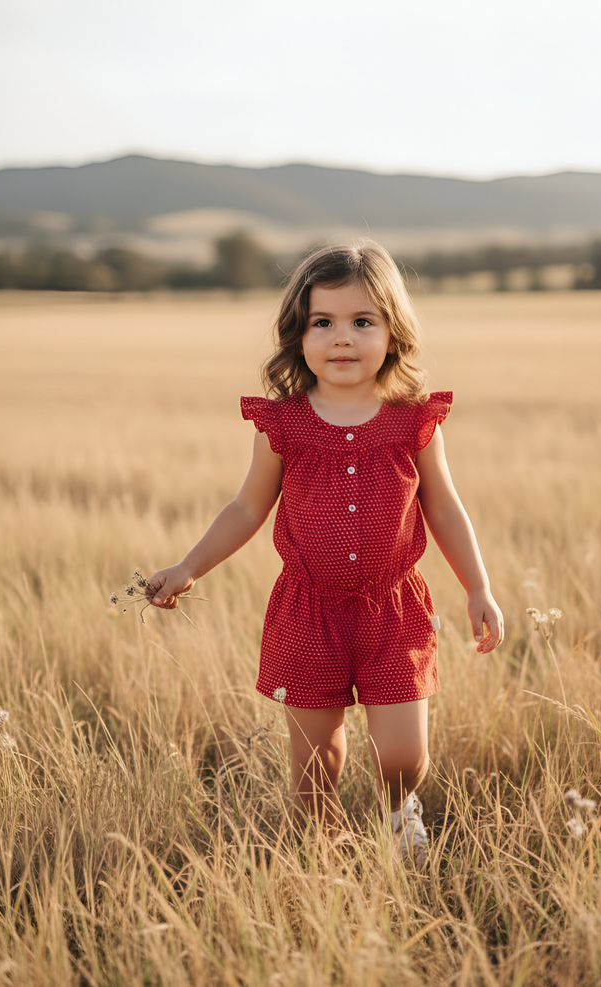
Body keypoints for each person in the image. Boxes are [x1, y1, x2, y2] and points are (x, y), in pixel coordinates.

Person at [147, 241, 503, 864]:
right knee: (316, 760)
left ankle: (401, 813)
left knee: (402, 753)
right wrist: (187, 567)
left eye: (363, 322)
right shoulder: (285, 424)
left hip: (392, 611)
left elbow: (443, 506)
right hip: (308, 614)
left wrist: (479, 588)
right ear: (299, 336)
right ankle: (321, 846)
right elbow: (246, 509)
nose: (343, 338)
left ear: (393, 334)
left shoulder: (412, 419)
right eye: (324, 322)